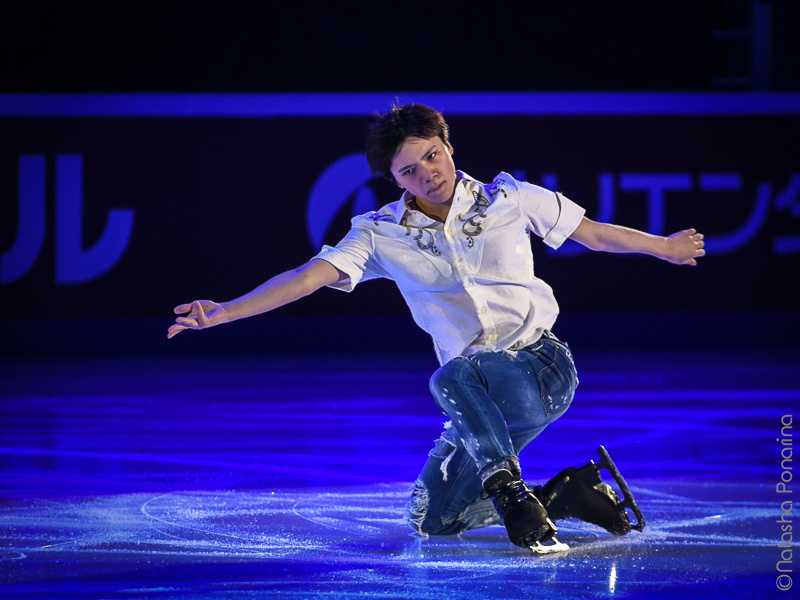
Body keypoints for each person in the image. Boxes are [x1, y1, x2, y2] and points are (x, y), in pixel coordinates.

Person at [168, 103, 704, 553]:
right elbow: (309, 277)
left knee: (449, 379)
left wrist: (666, 248)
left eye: (433, 154)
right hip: (478, 397)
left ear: (448, 146)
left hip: (540, 370)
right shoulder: (378, 233)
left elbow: (593, 234)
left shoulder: (509, 198)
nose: (427, 172)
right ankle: (565, 496)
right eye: (409, 170)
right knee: (432, 520)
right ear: (394, 179)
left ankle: (515, 499)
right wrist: (226, 311)